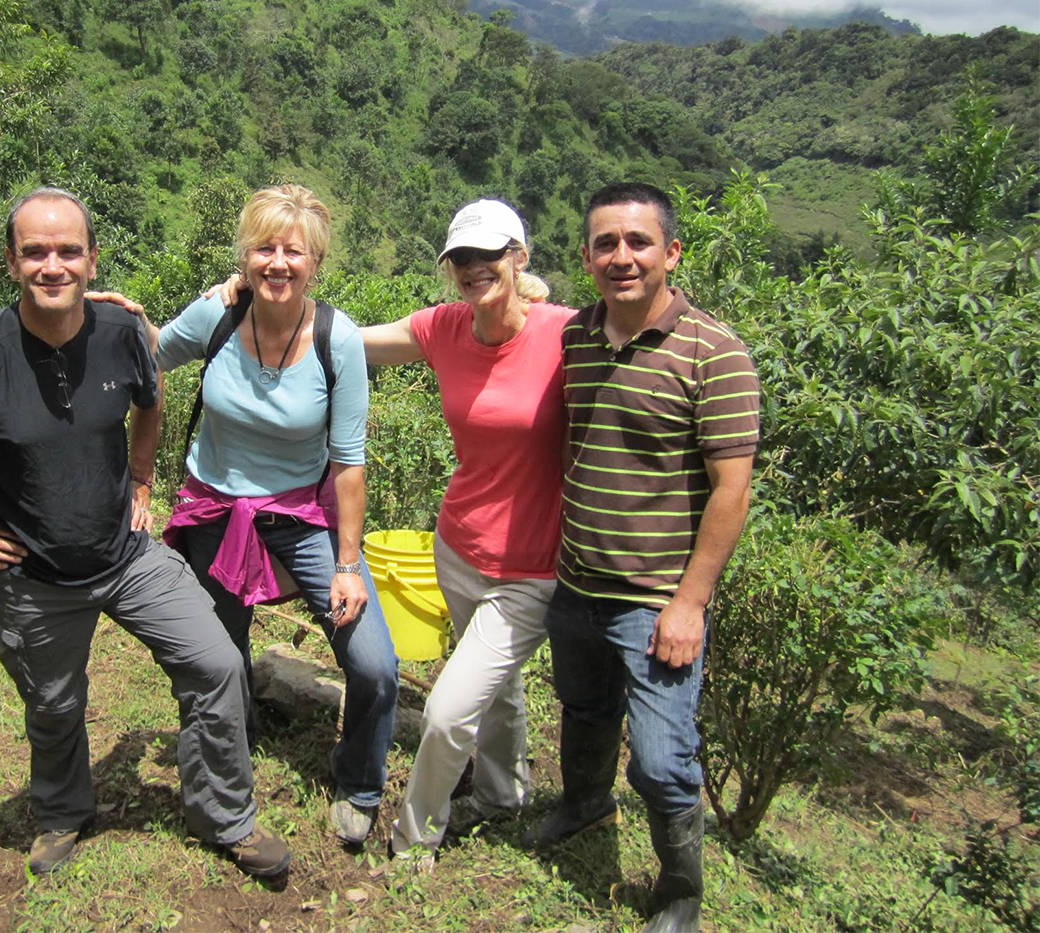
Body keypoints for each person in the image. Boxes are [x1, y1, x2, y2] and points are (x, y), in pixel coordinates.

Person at [0, 187, 290, 879]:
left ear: (92, 259)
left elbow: (151, 398)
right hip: (35, 577)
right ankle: (61, 811)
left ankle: (225, 816)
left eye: (66, 251)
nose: (51, 265)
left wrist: (143, 482)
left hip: (126, 556)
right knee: (55, 704)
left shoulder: (121, 332)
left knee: (216, 663)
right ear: (11, 261)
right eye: (34, 251)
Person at [128, 184, 400, 846]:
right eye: (264, 248)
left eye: (293, 251)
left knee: (374, 663)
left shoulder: (338, 341)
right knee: (220, 648)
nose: (278, 262)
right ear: (246, 257)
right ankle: (234, 742)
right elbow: (146, 360)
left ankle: (360, 779)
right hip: (214, 508)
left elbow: (349, 464)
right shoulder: (217, 318)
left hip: (304, 514)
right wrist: (126, 318)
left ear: (316, 262)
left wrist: (347, 565)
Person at [532, 182, 759, 933]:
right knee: (584, 710)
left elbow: (731, 488)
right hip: (577, 580)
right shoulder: (577, 336)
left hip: (656, 599)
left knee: (663, 760)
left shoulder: (714, 352)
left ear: (671, 252)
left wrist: (689, 602)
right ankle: (585, 804)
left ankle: (679, 888)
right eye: (605, 243)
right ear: (588, 256)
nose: (621, 257)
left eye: (637, 242)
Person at [359, 199, 576, 867]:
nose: (474, 268)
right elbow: (350, 338)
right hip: (456, 548)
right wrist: (253, 302)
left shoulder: (568, 334)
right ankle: (504, 791)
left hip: (532, 566)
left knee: (451, 709)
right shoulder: (444, 329)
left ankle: (415, 833)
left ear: (520, 256)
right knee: (498, 687)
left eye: (490, 254)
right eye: (462, 258)